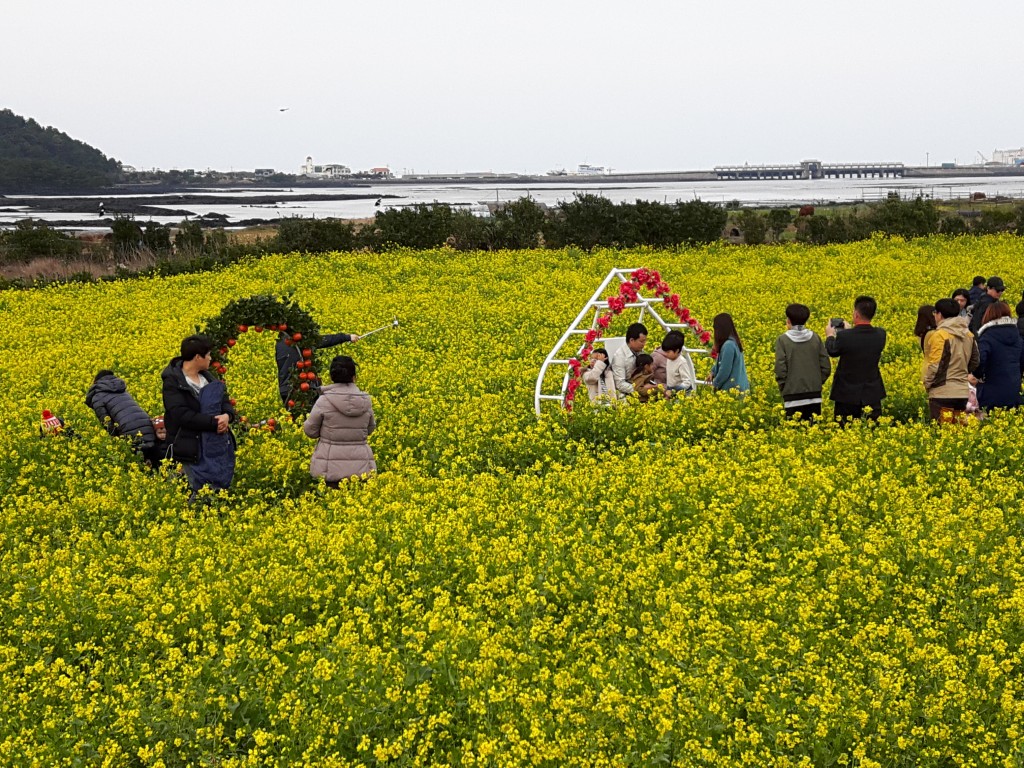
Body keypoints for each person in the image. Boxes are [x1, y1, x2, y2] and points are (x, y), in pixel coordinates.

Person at [161, 334, 236, 495]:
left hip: (214, 446)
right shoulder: (173, 382)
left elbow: (225, 402)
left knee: (216, 489)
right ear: (197, 357)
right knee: (198, 491)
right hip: (189, 446)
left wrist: (227, 416)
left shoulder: (209, 379)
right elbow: (181, 414)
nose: (210, 358)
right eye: (208, 355)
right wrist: (214, 423)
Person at [304, 355, 376, 486]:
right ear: (354, 377)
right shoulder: (365, 401)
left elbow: (310, 431)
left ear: (332, 377)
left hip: (329, 471)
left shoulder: (324, 401)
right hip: (362, 471)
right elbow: (370, 429)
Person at [825, 295, 887, 423]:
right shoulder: (881, 334)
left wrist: (830, 335)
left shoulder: (845, 336)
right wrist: (850, 330)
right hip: (871, 393)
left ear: (856, 314)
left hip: (846, 394)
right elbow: (861, 339)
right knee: (871, 429)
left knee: (843, 428)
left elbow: (832, 350)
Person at [922, 298, 979, 423]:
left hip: (942, 394)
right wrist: (962, 373)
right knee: (958, 433)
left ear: (939, 314)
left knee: (944, 432)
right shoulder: (968, 335)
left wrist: (927, 383)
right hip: (962, 393)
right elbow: (975, 361)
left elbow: (935, 365)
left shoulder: (940, 335)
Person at [774, 303, 831, 420]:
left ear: (788, 320)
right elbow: (826, 366)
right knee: (813, 432)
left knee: (794, 432)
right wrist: (817, 382)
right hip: (814, 395)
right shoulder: (815, 337)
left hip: (792, 397)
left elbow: (780, 369)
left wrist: (785, 387)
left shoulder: (783, 340)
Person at [276, 328, 361, 405]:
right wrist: (347, 337)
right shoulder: (298, 340)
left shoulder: (280, 343)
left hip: (285, 390)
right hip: (303, 388)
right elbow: (322, 340)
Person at [86, 369, 158, 458]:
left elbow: (106, 421)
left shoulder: (97, 396)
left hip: (128, 428)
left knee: (136, 459)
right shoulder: (122, 390)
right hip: (147, 424)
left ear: (95, 382)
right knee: (152, 457)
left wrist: (116, 438)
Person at [972, 301, 1024, 412]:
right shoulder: (1017, 336)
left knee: (988, 423)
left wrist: (978, 376)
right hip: (1014, 390)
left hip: (991, 391)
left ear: (989, 315)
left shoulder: (987, 336)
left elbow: (980, 360)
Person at [710, 313, 750, 393]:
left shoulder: (729, 345)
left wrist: (715, 385)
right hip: (738, 389)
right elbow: (722, 362)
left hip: (733, 390)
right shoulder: (732, 342)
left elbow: (724, 370)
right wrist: (713, 372)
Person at [610, 322, 648, 397]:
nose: (644, 344)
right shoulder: (620, 357)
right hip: (625, 393)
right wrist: (639, 389)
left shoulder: (641, 352)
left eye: (645, 341)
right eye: (641, 341)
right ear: (631, 340)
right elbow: (620, 384)